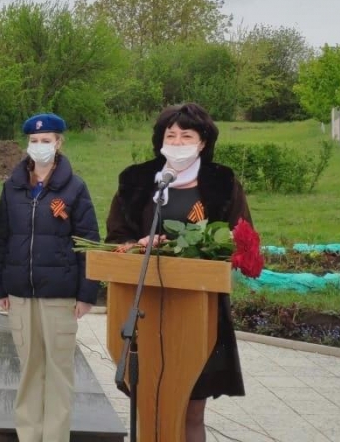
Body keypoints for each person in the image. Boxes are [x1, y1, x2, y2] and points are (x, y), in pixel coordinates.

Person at [105, 102, 248, 442]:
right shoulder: (137, 181)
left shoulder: (221, 183)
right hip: (146, 309)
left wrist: (208, 248)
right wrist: (139, 244)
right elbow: (116, 238)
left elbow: (239, 238)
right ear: (160, 140)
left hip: (200, 312)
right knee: (150, 402)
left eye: (187, 135)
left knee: (191, 408)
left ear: (202, 143)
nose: (178, 141)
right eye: (171, 135)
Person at [0, 112, 100, 442]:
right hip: (20, 294)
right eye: (34, 142)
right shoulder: (13, 187)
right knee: (29, 371)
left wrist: (86, 293)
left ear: (59, 143)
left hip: (60, 296)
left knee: (58, 373)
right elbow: (1, 238)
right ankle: (29, 435)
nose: (39, 147)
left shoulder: (75, 188)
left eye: (46, 141)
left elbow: (88, 241)